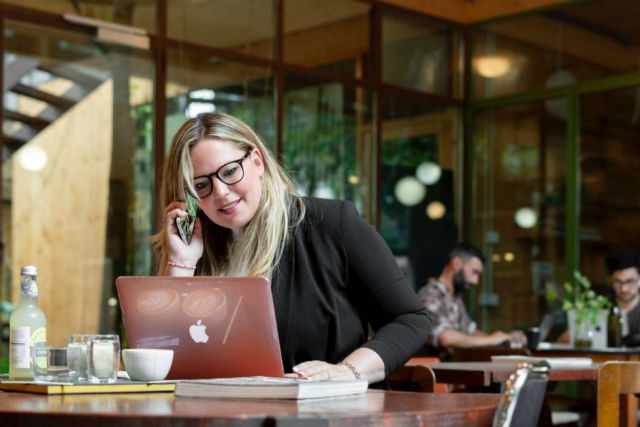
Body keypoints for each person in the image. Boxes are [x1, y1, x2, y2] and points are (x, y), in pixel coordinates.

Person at [152, 112, 431, 384]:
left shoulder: (331, 224)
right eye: (201, 185)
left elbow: (410, 319)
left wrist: (348, 372)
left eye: (229, 171)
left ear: (257, 161)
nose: (221, 192)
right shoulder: (197, 248)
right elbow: (165, 355)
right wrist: (181, 263)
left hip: (323, 414)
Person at [416, 242, 525, 358]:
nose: (475, 281)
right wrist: (491, 339)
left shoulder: (455, 299)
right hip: (435, 373)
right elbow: (445, 337)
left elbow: (470, 333)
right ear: (456, 263)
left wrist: (504, 339)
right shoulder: (430, 296)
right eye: (474, 272)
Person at [605, 251, 640, 344]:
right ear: (610, 281)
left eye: (630, 281)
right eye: (618, 282)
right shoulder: (602, 307)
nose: (624, 289)